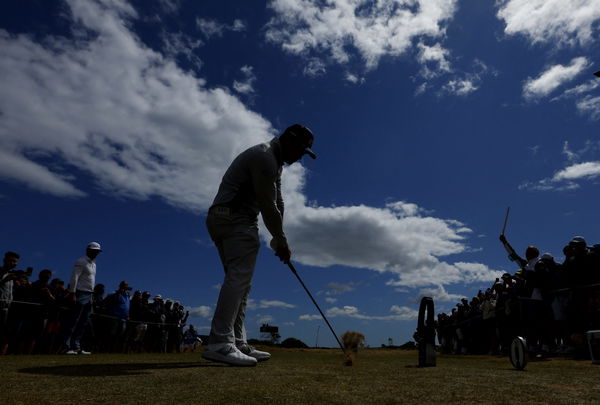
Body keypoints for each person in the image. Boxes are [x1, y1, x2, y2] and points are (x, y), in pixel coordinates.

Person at [202, 124, 317, 366]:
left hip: (222, 218)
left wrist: (279, 239)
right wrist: (281, 241)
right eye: (300, 151)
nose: (299, 158)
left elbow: (278, 201)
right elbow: (267, 206)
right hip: (237, 219)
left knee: (241, 282)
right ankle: (220, 343)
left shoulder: (274, 161)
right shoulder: (265, 158)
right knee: (239, 279)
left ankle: (237, 342)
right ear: (289, 141)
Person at [61, 241, 102, 355]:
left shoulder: (94, 264)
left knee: (83, 322)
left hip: (89, 294)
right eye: (94, 251)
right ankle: (67, 346)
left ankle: (76, 346)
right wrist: (72, 293)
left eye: (97, 251)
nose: (96, 253)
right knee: (74, 320)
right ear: (88, 250)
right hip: (80, 293)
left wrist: (91, 295)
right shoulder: (81, 261)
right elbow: (74, 277)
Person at [0, 251, 20, 355]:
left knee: (5, 333)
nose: (13, 263)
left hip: (8, 307)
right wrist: (4, 280)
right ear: (4, 260)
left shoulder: (14, 275)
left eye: (15, 261)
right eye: (11, 260)